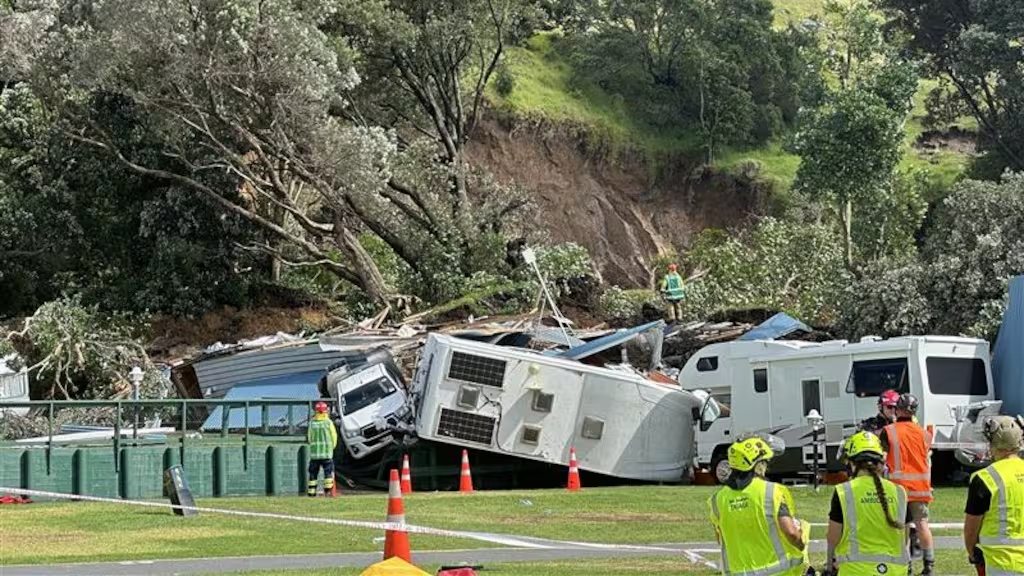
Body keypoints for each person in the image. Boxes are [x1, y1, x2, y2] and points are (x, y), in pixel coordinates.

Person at [708, 437, 810, 576]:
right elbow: (791, 533)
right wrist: (801, 543)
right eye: (764, 463)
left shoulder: (717, 499)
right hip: (777, 571)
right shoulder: (772, 492)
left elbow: (721, 538)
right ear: (758, 465)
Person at [825, 431, 909, 576]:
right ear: (880, 463)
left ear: (851, 463)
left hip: (855, 570)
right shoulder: (899, 492)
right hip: (895, 571)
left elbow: (833, 537)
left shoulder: (844, 491)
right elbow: (905, 536)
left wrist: (830, 565)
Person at [879, 393, 934, 575]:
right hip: (921, 488)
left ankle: (906, 565)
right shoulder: (925, 434)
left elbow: (883, 455)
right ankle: (928, 565)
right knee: (922, 524)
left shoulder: (889, 431)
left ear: (898, 409)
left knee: (900, 529)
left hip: (898, 488)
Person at [963, 415, 1024, 575]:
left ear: (992, 443)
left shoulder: (984, 479)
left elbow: (971, 530)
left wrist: (972, 553)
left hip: (1002, 566)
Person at [306, 401, 338, 497]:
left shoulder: (312, 423)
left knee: (313, 474)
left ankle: (311, 492)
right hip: (327, 453)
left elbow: (309, 437)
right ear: (325, 411)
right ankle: (327, 491)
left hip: (315, 454)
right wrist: (333, 447)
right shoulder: (328, 423)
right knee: (328, 473)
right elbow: (334, 436)